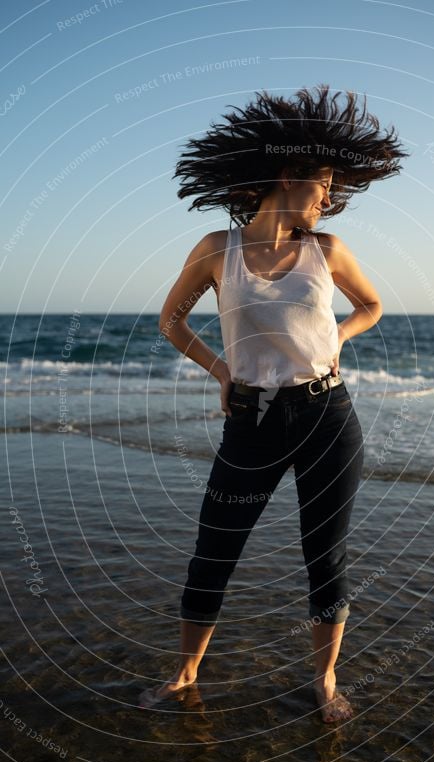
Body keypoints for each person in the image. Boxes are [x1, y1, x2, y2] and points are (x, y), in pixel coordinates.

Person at [139, 84, 409, 721]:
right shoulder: (216, 250)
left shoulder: (328, 252)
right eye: (323, 188)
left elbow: (372, 306)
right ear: (288, 177)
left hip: (327, 418)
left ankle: (324, 681)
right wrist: (219, 368)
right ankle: (183, 676)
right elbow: (171, 320)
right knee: (214, 549)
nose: (329, 200)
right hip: (252, 419)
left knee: (326, 556)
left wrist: (339, 334)